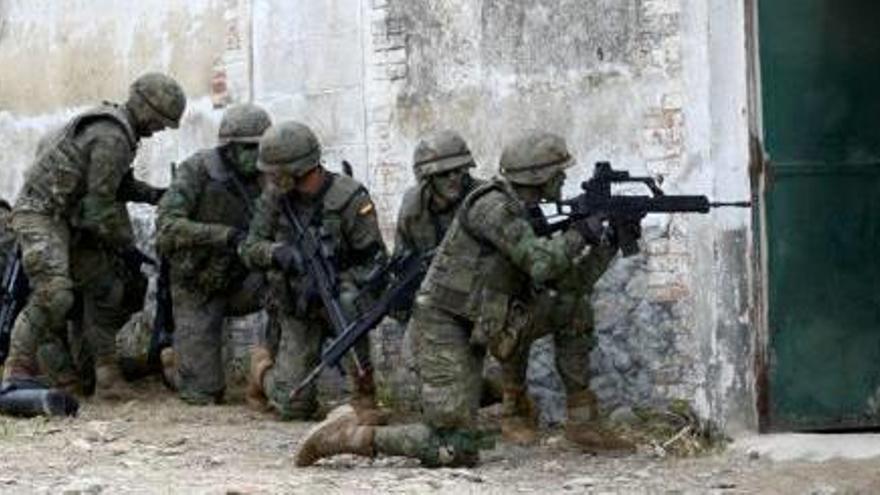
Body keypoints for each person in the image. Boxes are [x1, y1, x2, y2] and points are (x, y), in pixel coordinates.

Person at [295, 131, 620, 467]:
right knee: (454, 448)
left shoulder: (523, 211)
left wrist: (610, 243)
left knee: (571, 304)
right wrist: (581, 232)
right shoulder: (491, 207)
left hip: (486, 322)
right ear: (539, 178)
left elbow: (567, 280)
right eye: (559, 173)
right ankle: (349, 436)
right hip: (445, 326)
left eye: (457, 171)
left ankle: (581, 421)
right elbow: (541, 263)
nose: (565, 179)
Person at [1, 72, 186, 401]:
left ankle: (107, 376)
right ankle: (16, 370)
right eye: (160, 121)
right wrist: (127, 247)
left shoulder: (117, 131)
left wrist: (156, 195)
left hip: (71, 220)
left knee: (106, 287)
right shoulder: (113, 136)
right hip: (43, 214)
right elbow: (100, 207)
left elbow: (116, 184)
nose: (158, 130)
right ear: (145, 108)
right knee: (54, 294)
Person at [240, 121, 388, 423]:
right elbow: (248, 248)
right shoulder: (275, 199)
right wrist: (278, 253)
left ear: (293, 170)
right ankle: (262, 370)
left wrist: (344, 282)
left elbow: (376, 262)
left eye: (273, 172)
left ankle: (364, 391)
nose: (268, 177)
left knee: (348, 302)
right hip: (297, 305)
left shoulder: (349, 198)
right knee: (293, 407)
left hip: (340, 297)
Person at [155, 103, 272, 405]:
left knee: (293, 284)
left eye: (260, 148)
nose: (255, 157)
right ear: (229, 148)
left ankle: (275, 368)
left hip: (246, 279)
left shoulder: (269, 176)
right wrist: (224, 236)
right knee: (203, 394)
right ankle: (172, 361)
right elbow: (167, 227)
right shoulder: (197, 171)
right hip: (198, 284)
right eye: (248, 149)